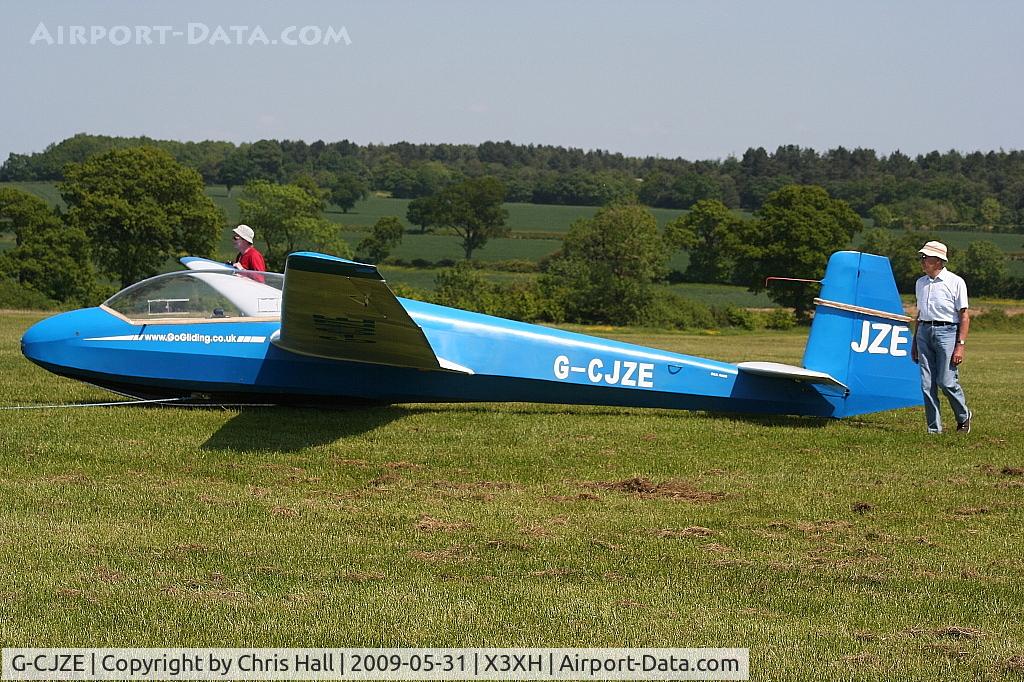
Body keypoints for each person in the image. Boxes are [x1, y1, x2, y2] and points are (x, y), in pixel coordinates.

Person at [911, 240, 971, 434]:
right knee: (927, 384)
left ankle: (964, 416)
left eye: (925, 258)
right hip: (924, 332)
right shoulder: (920, 283)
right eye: (922, 257)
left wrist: (960, 345)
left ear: (938, 261)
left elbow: (964, 315)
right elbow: (919, 315)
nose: (922, 261)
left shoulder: (956, 282)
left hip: (947, 332)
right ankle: (934, 430)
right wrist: (914, 343)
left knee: (946, 381)